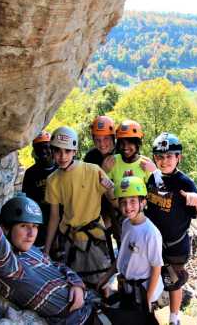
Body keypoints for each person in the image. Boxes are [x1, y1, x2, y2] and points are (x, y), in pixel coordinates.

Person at [0, 162, 92, 325]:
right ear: (6, 228)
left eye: (34, 227)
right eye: (24, 226)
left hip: (91, 306)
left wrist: (76, 284)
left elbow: (58, 266)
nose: (31, 233)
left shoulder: (32, 250)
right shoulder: (12, 268)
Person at [145, 132, 197, 325]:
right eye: (160, 156)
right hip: (154, 241)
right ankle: (148, 313)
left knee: (173, 282)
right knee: (150, 277)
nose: (164, 161)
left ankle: (174, 319)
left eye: (169, 156)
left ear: (178, 157)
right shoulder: (152, 178)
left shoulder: (185, 183)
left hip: (175, 244)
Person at [44, 126, 114, 289]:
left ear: (74, 152)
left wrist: (111, 188)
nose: (62, 157)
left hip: (94, 237)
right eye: (58, 151)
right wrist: (47, 249)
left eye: (67, 151)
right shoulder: (53, 180)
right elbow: (54, 217)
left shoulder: (93, 171)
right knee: (75, 284)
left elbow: (114, 200)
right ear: (52, 152)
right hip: (70, 238)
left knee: (102, 284)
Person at [98, 176, 163, 325]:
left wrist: (147, 299)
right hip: (128, 287)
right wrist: (106, 277)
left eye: (133, 201)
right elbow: (123, 255)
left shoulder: (150, 233)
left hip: (143, 290)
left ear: (143, 202)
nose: (128, 207)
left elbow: (156, 268)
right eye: (123, 202)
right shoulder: (127, 223)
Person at [83, 116, 119, 257]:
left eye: (106, 139)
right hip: (98, 206)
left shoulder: (122, 153)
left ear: (113, 138)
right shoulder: (91, 157)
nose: (102, 144)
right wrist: (102, 170)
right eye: (97, 140)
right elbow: (86, 187)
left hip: (121, 205)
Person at [22, 130, 57, 247]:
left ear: (52, 148)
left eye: (46, 147)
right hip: (40, 222)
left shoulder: (60, 168)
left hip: (61, 220)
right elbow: (28, 201)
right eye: (39, 148)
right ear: (35, 151)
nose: (43, 151)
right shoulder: (31, 173)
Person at [103, 119, 155, 186]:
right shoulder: (112, 161)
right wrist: (103, 171)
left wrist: (154, 171)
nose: (125, 147)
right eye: (122, 143)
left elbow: (155, 189)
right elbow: (103, 186)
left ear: (137, 144)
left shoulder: (146, 163)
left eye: (130, 143)